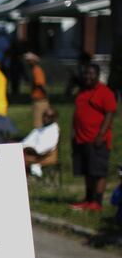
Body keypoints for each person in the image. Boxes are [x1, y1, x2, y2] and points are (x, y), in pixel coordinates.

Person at [69, 63, 117, 211]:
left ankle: (98, 201)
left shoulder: (105, 92)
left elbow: (110, 113)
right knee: (87, 171)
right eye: (85, 73)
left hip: (97, 139)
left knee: (98, 172)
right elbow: (77, 114)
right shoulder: (82, 92)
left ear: (97, 75)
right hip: (81, 139)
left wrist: (101, 134)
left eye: (91, 74)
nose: (88, 76)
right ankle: (88, 199)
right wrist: (73, 133)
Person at [21, 107, 60, 177]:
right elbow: (26, 141)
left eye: (48, 117)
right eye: (44, 116)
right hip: (30, 152)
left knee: (21, 159)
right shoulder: (39, 129)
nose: (45, 118)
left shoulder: (53, 131)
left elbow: (44, 148)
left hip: (42, 156)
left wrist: (30, 148)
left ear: (54, 118)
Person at [25, 52, 48, 128]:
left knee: (39, 123)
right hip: (38, 99)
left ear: (34, 61)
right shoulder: (34, 70)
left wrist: (46, 95)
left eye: (29, 60)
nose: (27, 62)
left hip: (40, 100)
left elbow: (40, 84)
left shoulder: (36, 70)